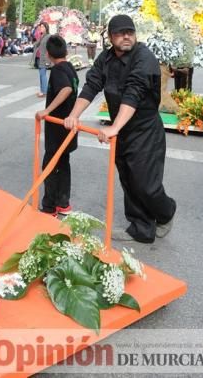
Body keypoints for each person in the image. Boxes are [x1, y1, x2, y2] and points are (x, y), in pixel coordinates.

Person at [64, 14, 176, 243]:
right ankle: (140, 228)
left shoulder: (144, 58)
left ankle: (166, 213)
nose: (126, 37)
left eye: (130, 32)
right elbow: (92, 85)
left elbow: (134, 93)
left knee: (146, 184)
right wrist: (73, 115)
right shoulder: (105, 59)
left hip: (144, 130)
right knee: (128, 179)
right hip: (122, 129)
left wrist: (114, 126)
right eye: (120, 33)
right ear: (110, 37)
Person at [36, 35, 79, 215]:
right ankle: (63, 203)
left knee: (50, 166)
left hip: (58, 129)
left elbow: (66, 89)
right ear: (66, 51)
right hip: (68, 129)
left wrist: (47, 111)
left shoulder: (58, 71)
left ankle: (49, 207)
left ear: (48, 53)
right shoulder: (69, 67)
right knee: (63, 165)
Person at [35, 22, 50, 98]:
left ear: (46, 28)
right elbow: (36, 44)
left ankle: (44, 91)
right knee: (41, 75)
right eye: (40, 27)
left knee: (43, 75)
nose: (41, 28)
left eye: (43, 27)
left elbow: (48, 49)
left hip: (45, 58)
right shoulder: (42, 36)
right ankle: (42, 90)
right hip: (40, 58)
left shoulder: (48, 37)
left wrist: (48, 61)